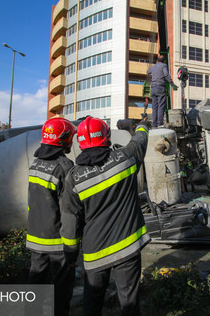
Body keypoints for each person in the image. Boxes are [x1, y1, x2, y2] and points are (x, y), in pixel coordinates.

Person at [60, 116, 151, 316]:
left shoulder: (74, 178)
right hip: (127, 247)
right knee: (129, 303)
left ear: (80, 142)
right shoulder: (126, 158)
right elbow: (140, 140)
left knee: (92, 305)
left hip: (95, 254)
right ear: (106, 137)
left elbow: (70, 219)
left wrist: (71, 253)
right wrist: (143, 125)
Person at [26, 117, 76, 316]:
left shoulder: (35, 164)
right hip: (57, 241)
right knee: (62, 289)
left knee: (36, 282)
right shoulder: (64, 167)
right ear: (64, 139)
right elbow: (69, 209)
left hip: (35, 236)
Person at [146, 55, 178, 128]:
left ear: (157, 60)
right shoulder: (163, 66)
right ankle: (160, 123)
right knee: (161, 106)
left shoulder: (154, 66)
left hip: (153, 89)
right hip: (160, 87)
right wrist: (172, 84)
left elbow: (148, 71)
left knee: (154, 107)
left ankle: (155, 124)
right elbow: (166, 75)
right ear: (163, 61)